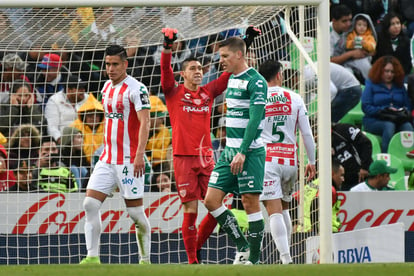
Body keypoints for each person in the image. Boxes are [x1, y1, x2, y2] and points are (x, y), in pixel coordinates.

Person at [80, 45, 151, 265]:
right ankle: (92, 257)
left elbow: (145, 122)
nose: (110, 69)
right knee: (90, 204)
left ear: (125, 64)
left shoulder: (137, 89)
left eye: (115, 64)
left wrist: (140, 154)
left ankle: (145, 259)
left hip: (130, 160)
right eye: (107, 64)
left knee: (136, 214)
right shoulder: (106, 88)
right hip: (107, 158)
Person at [204, 36, 267, 265]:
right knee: (211, 200)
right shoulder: (231, 79)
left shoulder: (257, 81)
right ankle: (242, 245)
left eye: (225, 56)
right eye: (221, 56)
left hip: (249, 153)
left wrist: (242, 150)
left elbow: (255, 119)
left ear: (239, 55)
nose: (221, 60)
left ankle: (256, 261)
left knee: (250, 202)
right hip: (229, 152)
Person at [258, 59, 316, 264]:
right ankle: (288, 255)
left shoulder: (257, 98)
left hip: (267, 160)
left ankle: (286, 258)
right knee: (284, 209)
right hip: (290, 161)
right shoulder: (295, 97)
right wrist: (312, 161)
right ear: (279, 75)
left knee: (273, 211)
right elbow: (307, 134)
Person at [362, 55, 413, 153]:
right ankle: (386, 157)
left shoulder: (399, 86)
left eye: (392, 72)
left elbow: (408, 106)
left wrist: (402, 111)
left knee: (408, 127)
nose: (389, 74)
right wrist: (384, 109)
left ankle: (408, 158)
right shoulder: (371, 84)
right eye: (386, 71)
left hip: (397, 119)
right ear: (380, 71)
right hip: (374, 120)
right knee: (389, 126)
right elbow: (366, 107)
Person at [292, 158, 345, 234]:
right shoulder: (330, 189)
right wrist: (315, 230)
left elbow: (293, 200)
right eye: (341, 175)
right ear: (332, 173)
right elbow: (316, 202)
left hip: (302, 230)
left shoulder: (312, 184)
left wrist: (295, 224)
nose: (343, 179)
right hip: (321, 232)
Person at [330, 4, 370, 82]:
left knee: (366, 64)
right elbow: (329, 61)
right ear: (334, 21)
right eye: (344, 21)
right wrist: (351, 54)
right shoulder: (326, 33)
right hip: (334, 67)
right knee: (348, 73)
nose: (349, 24)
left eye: (350, 20)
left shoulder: (353, 27)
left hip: (352, 61)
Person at [45, 75, 89, 144]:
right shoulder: (54, 101)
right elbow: (52, 127)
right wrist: (62, 142)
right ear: (69, 90)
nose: (83, 90)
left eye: (83, 87)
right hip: (65, 142)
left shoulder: (88, 99)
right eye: (79, 88)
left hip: (87, 140)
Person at [332, 122, 373, 191]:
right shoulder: (321, 147)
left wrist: (365, 167)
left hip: (362, 175)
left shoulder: (343, 129)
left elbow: (366, 143)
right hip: (345, 182)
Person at [372, 12, 412, 76]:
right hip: (382, 74)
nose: (396, 26)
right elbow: (376, 61)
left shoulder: (406, 41)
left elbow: (407, 63)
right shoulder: (379, 40)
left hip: (400, 74)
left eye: (398, 23)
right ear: (386, 26)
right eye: (392, 24)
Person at [70, 93, 105, 165]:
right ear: (84, 116)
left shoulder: (108, 127)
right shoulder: (75, 127)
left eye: (96, 115)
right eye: (90, 115)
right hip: (81, 164)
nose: (93, 118)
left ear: (101, 116)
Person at [345, 13, 377, 81]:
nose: (362, 27)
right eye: (359, 25)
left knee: (367, 69)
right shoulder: (351, 35)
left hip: (364, 58)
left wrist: (364, 44)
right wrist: (352, 44)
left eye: (364, 25)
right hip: (351, 59)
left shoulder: (369, 36)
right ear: (354, 25)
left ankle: (370, 81)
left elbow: (373, 47)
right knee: (347, 69)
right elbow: (346, 45)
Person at [60, 127, 90, 191]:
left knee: (83, 169)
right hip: (66, 182)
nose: (81, 140)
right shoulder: (62, 154)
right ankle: (78, 192)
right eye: (78, 137)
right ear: (70, 139)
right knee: (73, 168)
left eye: (81, 137)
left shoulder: (81, 154)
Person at [145, 95, 171, 170]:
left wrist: (148, 153)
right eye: (160, 118)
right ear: (149, 117)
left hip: (157, 167)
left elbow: (163, 154)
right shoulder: (136, 129)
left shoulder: (164, 131)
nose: (163, 120)